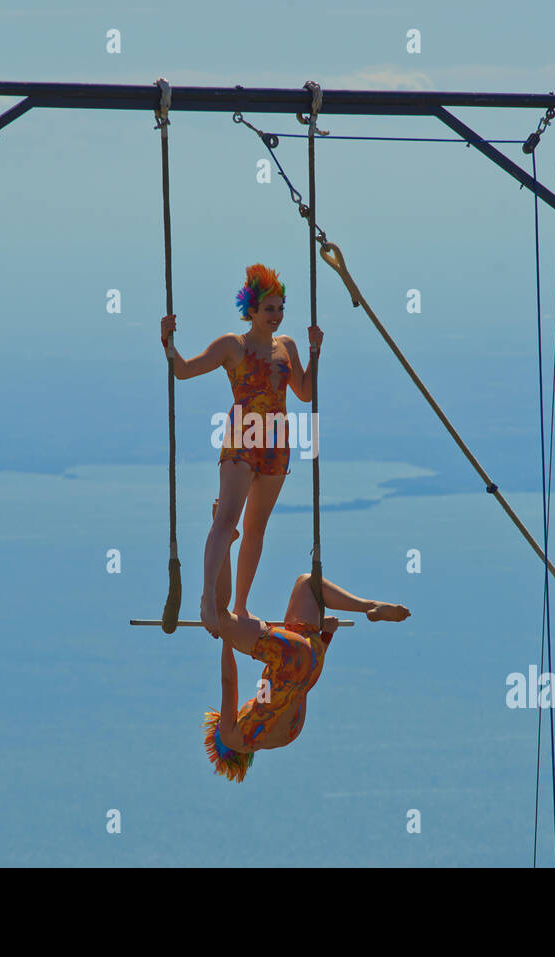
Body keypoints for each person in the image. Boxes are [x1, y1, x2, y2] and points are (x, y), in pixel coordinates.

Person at [159, 263, 323, 636]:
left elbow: (305, 391)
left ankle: (241, 605)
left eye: (281, 308)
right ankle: (205, 600)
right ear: (250, 310)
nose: (276, 316)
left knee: (256, 528)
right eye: (269, 309)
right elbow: (183, 371)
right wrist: (168, 345)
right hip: (243, 437)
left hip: (277, 443)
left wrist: (315, 352)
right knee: (227, 517)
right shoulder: (234, 345)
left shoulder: (289, 347)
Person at [200, 500, 410, 782]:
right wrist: (226, 638)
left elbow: (301, 684)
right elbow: (229, 684)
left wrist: (325, 637)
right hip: (286, 656)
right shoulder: (232, 736)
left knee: (310, 584)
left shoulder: (287, 736)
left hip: (310, 658)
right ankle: (224, 540)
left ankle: (368, 606)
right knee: (220, 614)